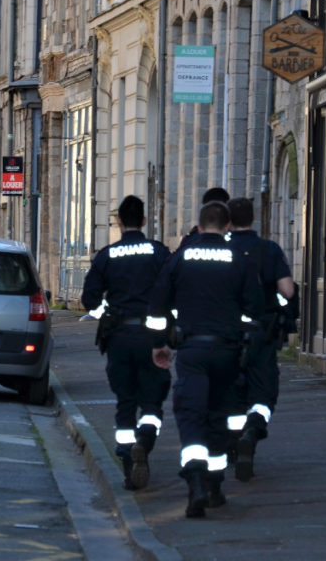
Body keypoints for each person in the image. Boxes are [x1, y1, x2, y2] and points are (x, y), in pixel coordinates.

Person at [147, 201, 264, 518]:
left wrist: (160, 344)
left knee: (191, 416)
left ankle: (196, 484)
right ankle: (214, 487)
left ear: (199, 227)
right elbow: (255, 310)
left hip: (192, 351)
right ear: (227, 227)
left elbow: (157, 307)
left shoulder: (180, 258)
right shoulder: (239, 259)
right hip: (227, 351)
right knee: (219, 418)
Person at [80, 195, 173, 490]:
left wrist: (105, 314)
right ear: (144, 221)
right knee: (152, 402)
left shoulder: (108, 255)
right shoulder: (159, 253)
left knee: (125, 402)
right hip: (152, 338)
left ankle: (127, 459)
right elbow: (174, 293)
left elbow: (89, 300)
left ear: (119, 221)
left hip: (119, 337)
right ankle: (144, 443)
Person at [224, 197, 296, 482]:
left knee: (231, 395)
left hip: (227, 335)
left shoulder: (222, 249)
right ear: (253, 219)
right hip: (261, 334)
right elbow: (288, 291)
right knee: (263, 395)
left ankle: (233, 441)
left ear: (228, 220)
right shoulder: (268, 249)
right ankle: (252, 431)